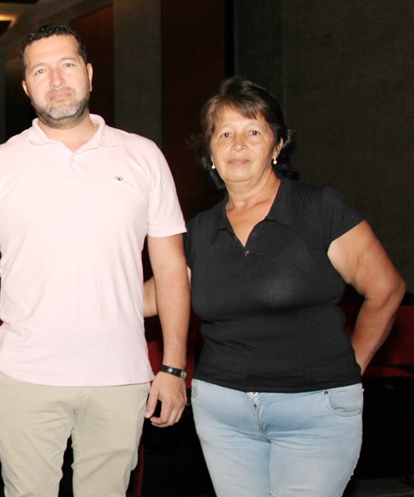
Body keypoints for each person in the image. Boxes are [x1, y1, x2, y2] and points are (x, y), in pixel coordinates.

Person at [0, 23, 192, 496]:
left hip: (120, 378)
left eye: (67, 65)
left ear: (90, 73)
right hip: (24, 377)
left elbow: (171, 271)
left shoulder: (143, 156)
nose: (56, 80)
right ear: (26, 87)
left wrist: (175, 367)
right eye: (40, 70)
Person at [144, 76, 406, 497]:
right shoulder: (200, 230)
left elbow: (387, 290)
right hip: (223, 412)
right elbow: (155, 297)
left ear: (278, 145)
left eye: (254, 132)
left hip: (313, 411)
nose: (238, 144)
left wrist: (349, 368)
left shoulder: (319, 208)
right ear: (209, 152)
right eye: (224, 134)